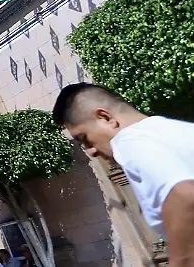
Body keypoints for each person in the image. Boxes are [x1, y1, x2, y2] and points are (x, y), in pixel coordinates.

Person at [52, 82, 194, 254]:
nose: (91, 151)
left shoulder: (128, 141)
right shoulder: (175, 130)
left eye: (84, 138)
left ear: (106, 118)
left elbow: (185, 199)